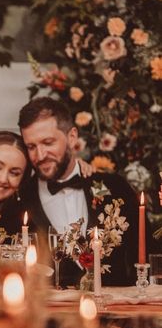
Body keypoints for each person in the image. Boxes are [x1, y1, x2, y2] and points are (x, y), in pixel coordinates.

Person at [18, 96, 150, 287]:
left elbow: (144, 253)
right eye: (31, 146)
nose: (40, 155)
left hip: (116, 312)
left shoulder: (114, 188)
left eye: (48, 142)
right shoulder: (22, 198)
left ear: (72, 137)